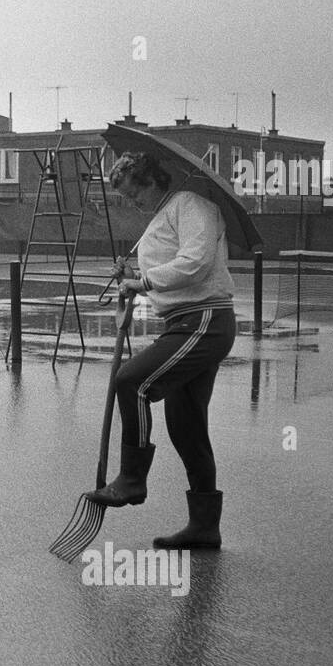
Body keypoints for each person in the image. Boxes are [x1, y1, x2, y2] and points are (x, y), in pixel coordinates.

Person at [84, 151, 235, 548]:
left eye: (136, 196)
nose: (135, 205)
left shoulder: (192, 205)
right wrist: (133, 275)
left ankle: (132, 479)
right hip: (183, 321)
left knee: (131, 381)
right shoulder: (165, 214)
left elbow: (196, 263)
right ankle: (204, 527)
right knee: (186, 429)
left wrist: (144, 281)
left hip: (204, 320)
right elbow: (170, 270)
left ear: (153, 180)